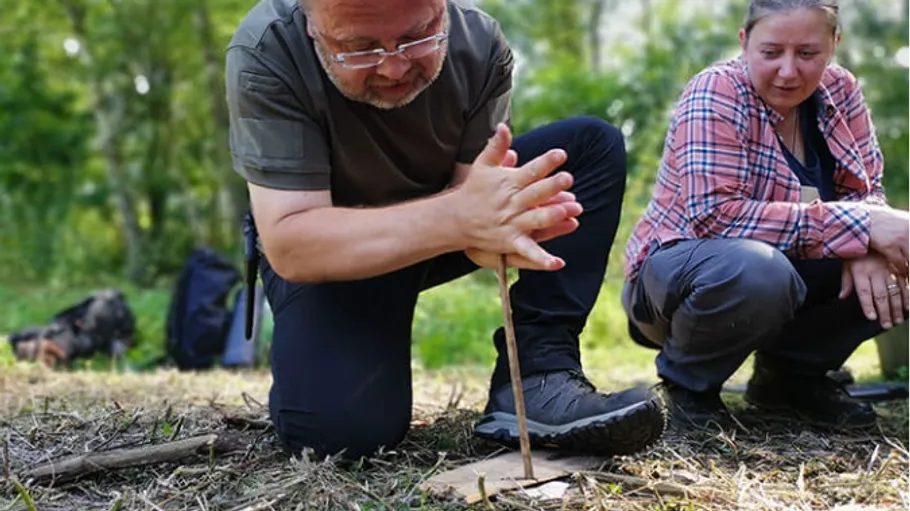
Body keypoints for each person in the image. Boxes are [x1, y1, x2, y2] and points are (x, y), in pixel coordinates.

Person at [225, 0, 666, 461]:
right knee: (340, 435)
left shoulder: (479, 41)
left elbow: (475, 198)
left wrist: (492, 229)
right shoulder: (267, 49)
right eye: (359, 48)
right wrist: (462, 220)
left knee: (589, 148)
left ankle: (538, 375)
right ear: (313, 26)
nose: (394, 68)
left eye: (419, 37)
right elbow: (293, 245)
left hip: (443, 218)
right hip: (332, 251)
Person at [622, 0, 909, 430]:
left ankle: (791, 377)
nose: (789, 71)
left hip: (790, 275)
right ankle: (687, 388)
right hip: (680, 284)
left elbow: (865, 193)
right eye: (771, 52)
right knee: (760, 269)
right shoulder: (716, 90)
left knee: (902, 250)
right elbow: (716, 217)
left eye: (808, 54)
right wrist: (863, 227)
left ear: (834, 44)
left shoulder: (843, 91)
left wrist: (871, 243)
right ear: (745, 42)